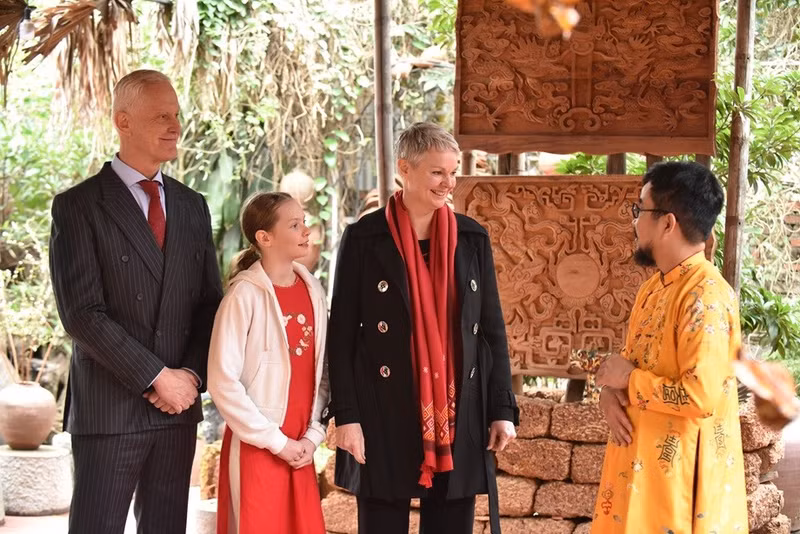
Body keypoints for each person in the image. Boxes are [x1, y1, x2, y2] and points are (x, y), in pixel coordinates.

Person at [49, 69, 223, 533]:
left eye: (177, 115)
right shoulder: (78, 206)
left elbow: (209, 303)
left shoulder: (191, 205)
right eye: (160, 116)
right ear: (122, 122)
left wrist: (187, 375)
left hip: (177, 407)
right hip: (110, 408)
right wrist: (155, 376)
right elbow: (82, 314)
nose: (174, 125)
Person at [328, 122, 519, 534]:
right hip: (383, 406)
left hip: (456, 409)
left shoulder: (472, 238)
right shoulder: (364, 237)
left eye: (453, 172)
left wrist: (502, 409)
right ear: (405, 169)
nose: (448, 183)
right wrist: (347, 416)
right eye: (437, 172)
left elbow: (491, 329)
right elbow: (341, 333)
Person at [594, 161, 748, 533]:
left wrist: (629, 380)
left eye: (639, 209)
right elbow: (632, 369)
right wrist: (610, 393)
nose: (634, 222)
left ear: (667, 223)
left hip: (679, 487)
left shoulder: (705, 296)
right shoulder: (655, 288)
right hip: (639, 474)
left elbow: (700, 396)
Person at [208, 192, 329, 534]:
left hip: (300, 449)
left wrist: (312, 437)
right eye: (294, 225)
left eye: (304, 222)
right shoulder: (242, 296)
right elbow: (222, 382)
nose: (306, 231)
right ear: (265, 237)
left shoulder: (314, 291)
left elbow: (321, 373)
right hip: (257, 449)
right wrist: (278, 443)